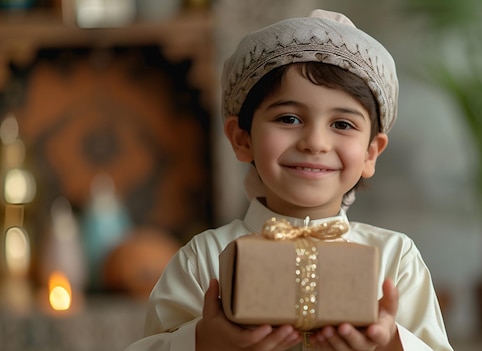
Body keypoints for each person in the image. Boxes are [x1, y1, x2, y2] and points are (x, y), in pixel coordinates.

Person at [125, 9, 453, 351]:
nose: (315, 142)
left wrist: (389, 343)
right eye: (289, 118)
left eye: (342, 124)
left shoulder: (396, 259)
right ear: (242, 138)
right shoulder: (202, 259)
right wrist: (203, 340)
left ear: (371, 152)